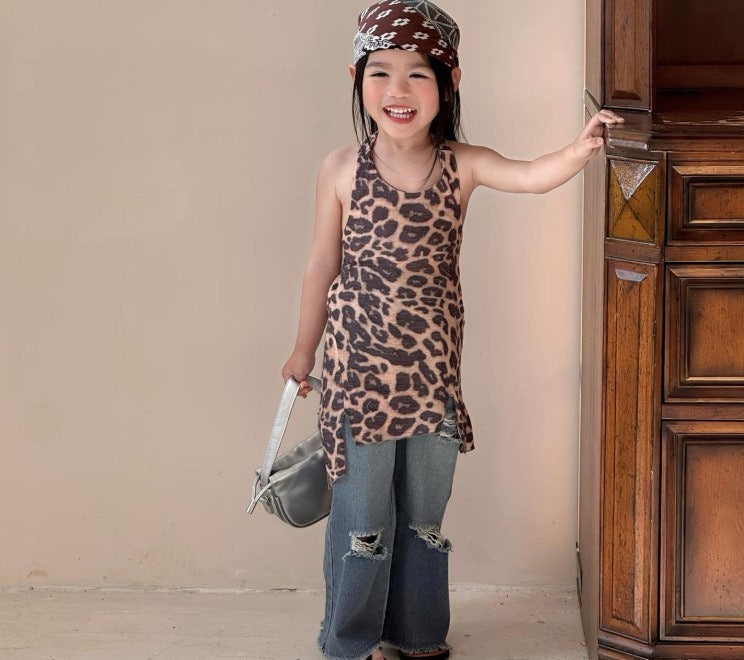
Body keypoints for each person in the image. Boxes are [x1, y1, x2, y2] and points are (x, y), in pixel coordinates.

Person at [281, 2, 623, 658]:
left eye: (418, 73)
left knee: (423, 518)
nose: (399, 90)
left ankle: (416, 635)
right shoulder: (341, 169)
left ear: (450, 81)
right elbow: (321, 265)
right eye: (381, 73)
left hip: (432, 381)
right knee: (362, 520)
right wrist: (303, 349)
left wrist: (581, 148)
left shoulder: (462, 164)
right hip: (358, 381)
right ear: (356, 79)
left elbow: (530, 176)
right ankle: (350, 641)